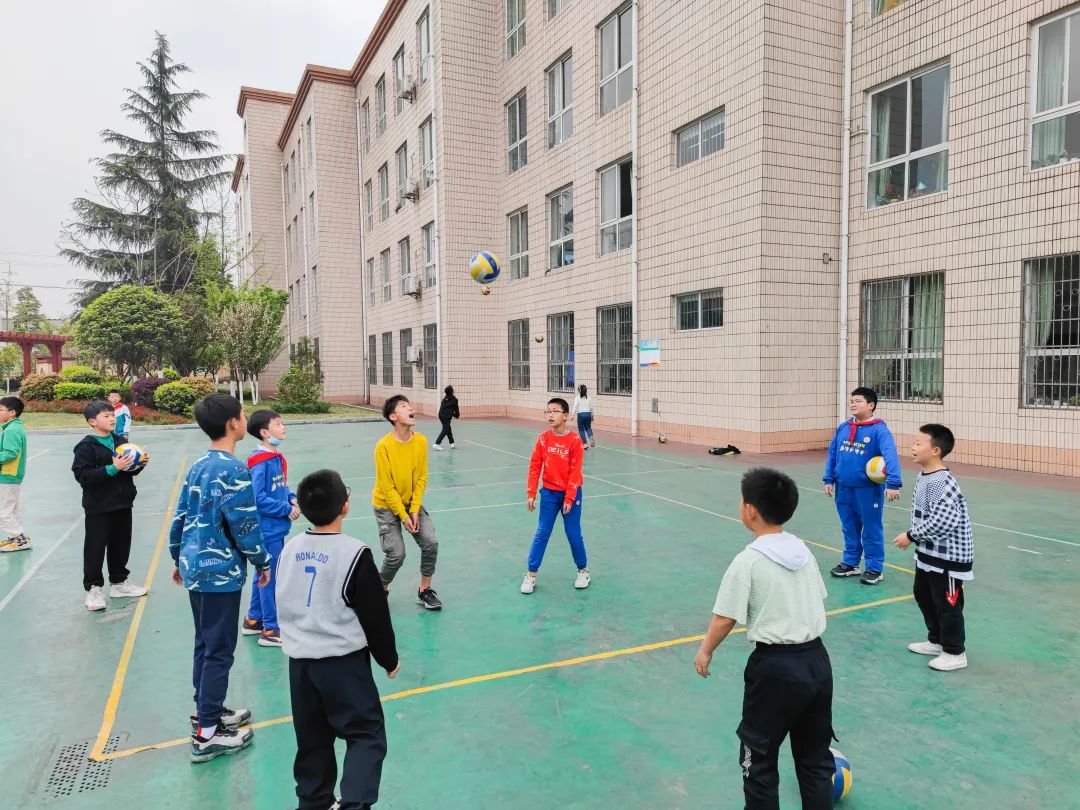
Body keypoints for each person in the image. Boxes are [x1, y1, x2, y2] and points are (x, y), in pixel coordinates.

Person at [694, 468, 833, 810]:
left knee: (758, 760)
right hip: (817, 663)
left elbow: (725, 617)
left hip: (775, 670)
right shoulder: (803, 551)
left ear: (750, 510)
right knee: (815, 761)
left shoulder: (749, 560)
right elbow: (818, 597)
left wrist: (705, 650)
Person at [278, 469, 400, 810]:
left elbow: (283, 597)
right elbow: (375, 615)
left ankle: (313, 802)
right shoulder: (354, 553)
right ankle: (354, 804)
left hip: (301, 666)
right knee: (365, 734)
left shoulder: (290, 548)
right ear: (345, 506)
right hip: (342, 665)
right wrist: (388, 658)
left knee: (312, 740)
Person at [169, 394, 273, 763]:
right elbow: (245, 526)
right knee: (219, 650)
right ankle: (207, 735)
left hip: (195, 567)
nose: (245, 420)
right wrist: (262, 562)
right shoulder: (234, 470)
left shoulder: (198, 466)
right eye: (243, 415)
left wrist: (178, 557)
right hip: (220, 574)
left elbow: (181, 515)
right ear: (233, 423)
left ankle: (207, 711)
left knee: (205, 642)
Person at [893, 424, 973, 672]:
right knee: (923, 594)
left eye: (919, 443)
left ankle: (955, 652)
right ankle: (937, 641)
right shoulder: (925, 475)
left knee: (948, 604)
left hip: (948, 557)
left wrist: (911, 535)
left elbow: (945, 521)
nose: (913, 447)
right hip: (929, 553)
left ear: (936, 450)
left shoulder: (943, 481)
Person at [72, 400, 148, 611]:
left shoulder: (120, 440)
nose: (112, 419)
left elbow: (128, 471)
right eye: (106, 416)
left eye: (112, 415)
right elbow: (83, 476)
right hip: (98, 506)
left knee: (121, 544)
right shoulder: (86, 447)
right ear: (92, 422)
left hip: (122, 502)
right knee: (95, 547)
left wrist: (139, 464)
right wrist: (113, 468)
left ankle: (119, 582)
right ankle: (93, 588)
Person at [822, 386, 902, 585]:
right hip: (843, 488)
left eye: (858, 401)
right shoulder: (844, 427)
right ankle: (851, 563)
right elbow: (833, 453)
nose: (853, 404)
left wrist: (893, 482)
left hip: (868, 490)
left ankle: (874, 567)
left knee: (871, 528)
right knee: (849, 526)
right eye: (851, 401)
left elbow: (890, 455)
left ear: (871, 405)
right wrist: (829, 478)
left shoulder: (879, 430)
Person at [372, 395, 442, 610]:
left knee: (430, 543)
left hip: (411, 503)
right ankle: (380, 589)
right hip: (386, 505)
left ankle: (424, 590)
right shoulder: (383, 446)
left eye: (409, 405)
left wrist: (414, 509)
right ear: (393, 416)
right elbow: (387, 487)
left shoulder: (421, 441)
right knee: (397, 554)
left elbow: (422, 478)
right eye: (404, 406)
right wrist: (403, 516)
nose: (410, 408)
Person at [242, 408, 300, 648]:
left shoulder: (274, 457)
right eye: (277, 424)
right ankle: (270, 629)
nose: (283, 427)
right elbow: (258, 498)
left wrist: (291, 497)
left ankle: (253, 619)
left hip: (275, 529)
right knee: (269, 578)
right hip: (266, 531)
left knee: (263, 574)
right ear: (265, 433)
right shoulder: (260, 462)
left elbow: (280, 486)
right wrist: (285, 509)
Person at [520, 397, 589, 594]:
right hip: (549, 494)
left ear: (565, 416)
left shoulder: (575, 441)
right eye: (548, 411)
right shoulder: (543, 439)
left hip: (571, 494)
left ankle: (583, 571)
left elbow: (575, 472)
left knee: (573, 533)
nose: (551, 415)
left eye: (555, 411)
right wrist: (531, 493)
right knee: (542, 532)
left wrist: (569, 498)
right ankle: (531, 575)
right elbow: (535, 467)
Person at [0, 397, 30, 553]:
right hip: (12, 475)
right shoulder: (14, 427)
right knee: (12, 509)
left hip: (8, 474)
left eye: (0, 410)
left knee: (4, 511)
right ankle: (15, 538)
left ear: (12, 412)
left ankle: (18, 539)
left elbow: (10, 453)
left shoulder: (11, 430)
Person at [433, 385, 459, 450]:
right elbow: (456, 408)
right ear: (452, 392)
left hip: (441, 415)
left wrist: (454, 414)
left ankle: (452, 444)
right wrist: (457, 415)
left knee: (448, 428)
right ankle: (437, 444)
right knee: (445, 429)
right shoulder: (454, 400)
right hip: (446, 416)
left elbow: (445, 408)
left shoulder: (444, 399)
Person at [571, 384, 595, 449]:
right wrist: (592, 416)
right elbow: (591, 408)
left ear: (579, 391)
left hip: (581, 414)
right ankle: (591, 437)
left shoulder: (577, 398)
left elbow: (575, 406)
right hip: (588, 414)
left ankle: (585, 444)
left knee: (581, 430)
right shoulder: (589, 398)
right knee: (588, 428)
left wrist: (572, 415)